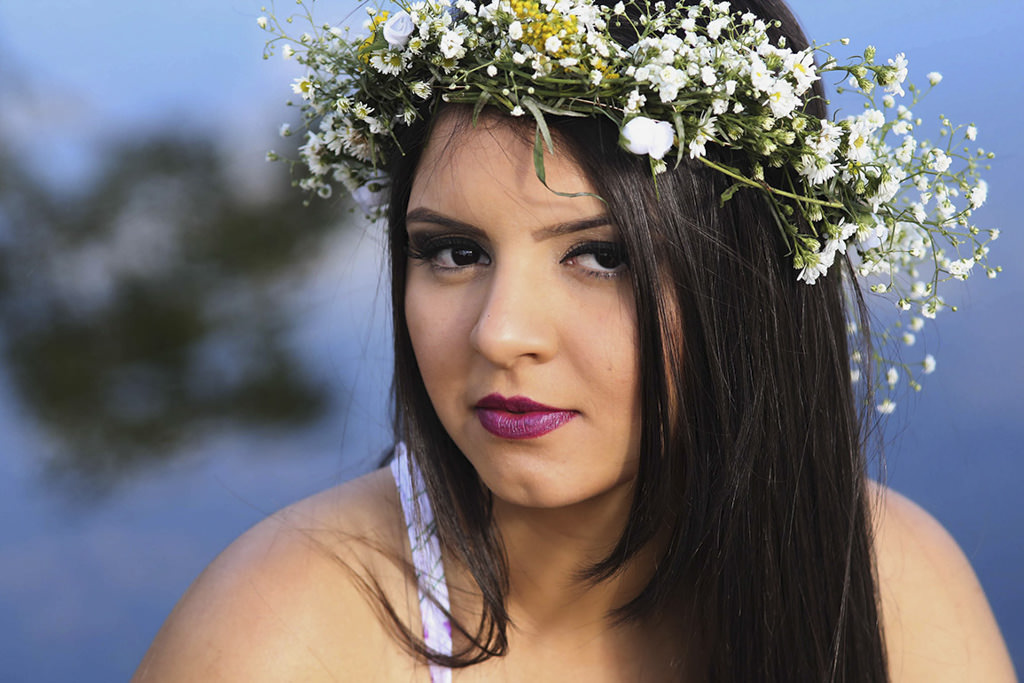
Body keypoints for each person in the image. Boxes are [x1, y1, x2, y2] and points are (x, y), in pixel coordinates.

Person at [134, 0, 1016, 680]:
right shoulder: (284, 635)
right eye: (454, 251)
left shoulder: (892, 585)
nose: (502, 333)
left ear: (748, 286)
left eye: (599, 256)